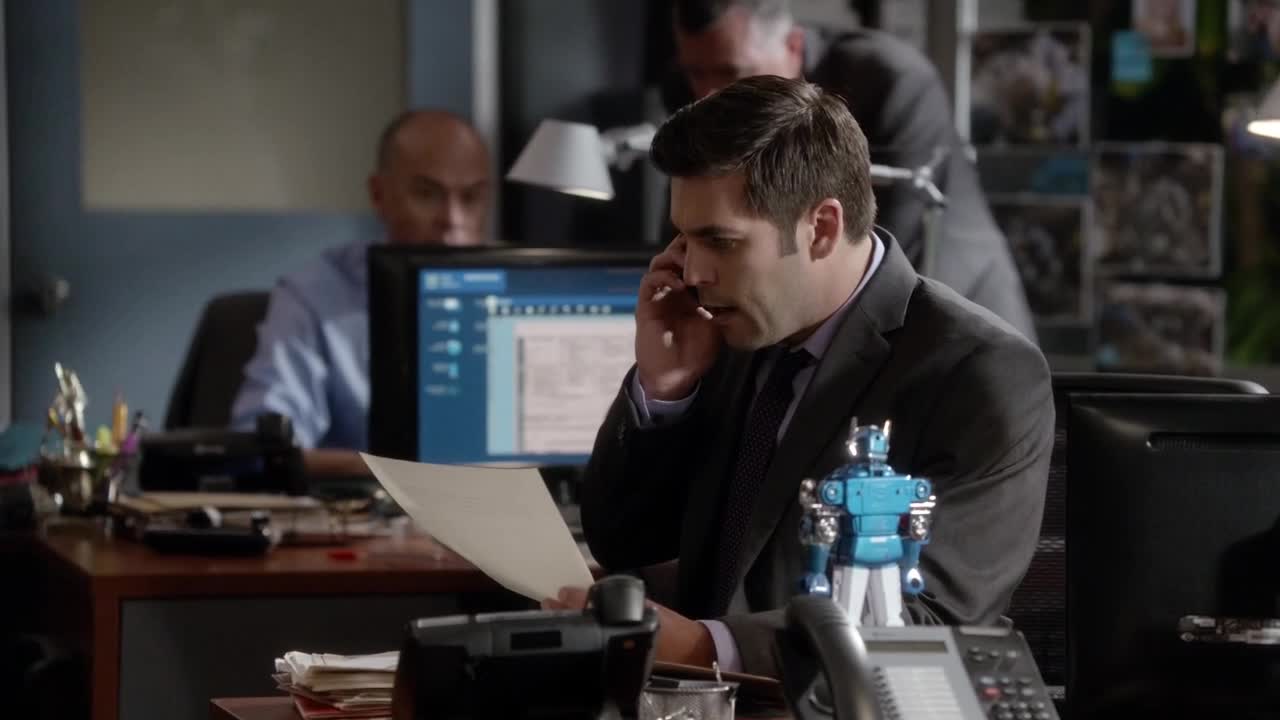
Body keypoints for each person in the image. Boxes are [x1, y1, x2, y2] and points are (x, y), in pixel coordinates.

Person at [546, 76, 1054, 679]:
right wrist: (666, 389)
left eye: (720, 242)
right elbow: (626, 543)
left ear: (821, 228)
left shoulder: (979, 375)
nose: (693, 273)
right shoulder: (730, 332)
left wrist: (705, 648)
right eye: (684, 237)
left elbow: (931, 621)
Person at [660, 0, 1037, 342]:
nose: (710, 94)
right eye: (695, 73)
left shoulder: (886, 78)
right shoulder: (696, 91)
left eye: (732, 71)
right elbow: (697, 209)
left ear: (793, 46)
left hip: (953, 292)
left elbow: (889, 237)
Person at [229, 110, 492, 457]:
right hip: (366, 492)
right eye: (427, 194)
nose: (452, 220)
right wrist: (402, 473)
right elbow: (267, 448)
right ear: (379, 195)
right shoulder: (314, 296)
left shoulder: (518, 293)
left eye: (470, 197)